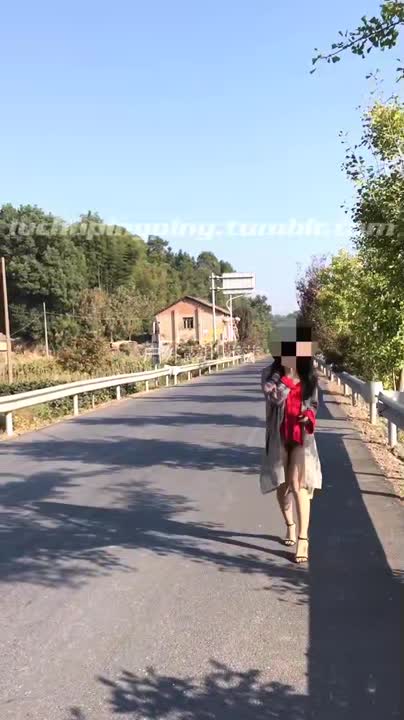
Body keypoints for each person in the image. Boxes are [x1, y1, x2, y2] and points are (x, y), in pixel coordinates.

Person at [260, 351, 322, 564]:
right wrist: (287, 375)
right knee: (283, 485)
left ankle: (303, 539)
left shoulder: (309, 375)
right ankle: (290, 525)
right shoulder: (270, 375)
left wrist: (309, 415)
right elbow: (275, 399)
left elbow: (314, 404)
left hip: (301, 435)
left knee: (298, 485)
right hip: (279, 435)